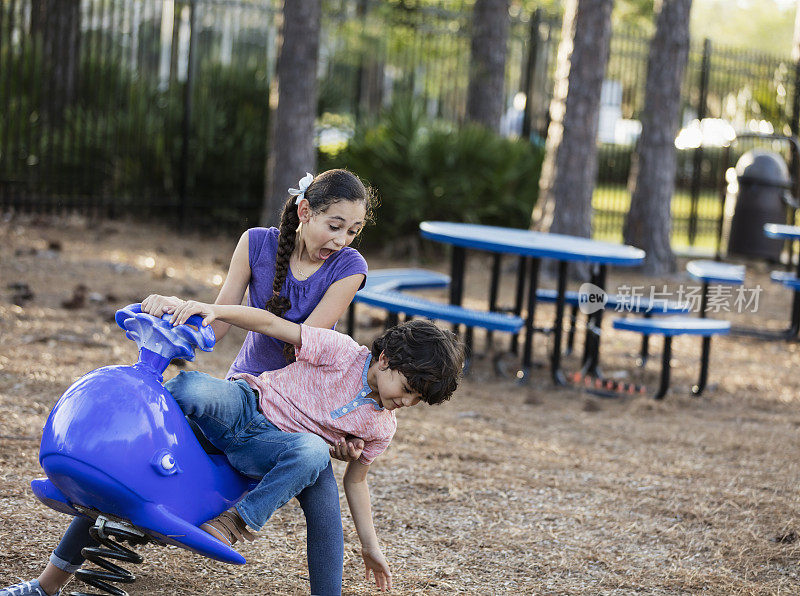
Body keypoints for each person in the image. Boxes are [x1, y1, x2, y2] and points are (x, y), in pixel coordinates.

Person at [1, 169, 374, 596]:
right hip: (242, 395)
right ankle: (44, 586)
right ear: (305, 211)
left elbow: (304, 341)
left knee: (320, 485)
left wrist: (214, 310)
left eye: (354, 230)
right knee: (133, 449)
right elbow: (217, 327)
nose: (343, 239)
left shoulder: (350, 267)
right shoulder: (256, 243)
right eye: (335, 225)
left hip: (295, 414)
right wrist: (176, 314)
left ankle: (255, 537)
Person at [163, 300, 466, 592]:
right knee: (191, 387)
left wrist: (370, 546)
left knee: (314, 452)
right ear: (386, 358)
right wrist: (216, 311)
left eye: (418, 400)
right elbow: (271, 324)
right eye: (408, 389)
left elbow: (356, 481)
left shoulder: (382, 427)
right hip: (246, 405)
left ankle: (237, 522)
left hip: (272, 448)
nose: (408, 402)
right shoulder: (342, 352)